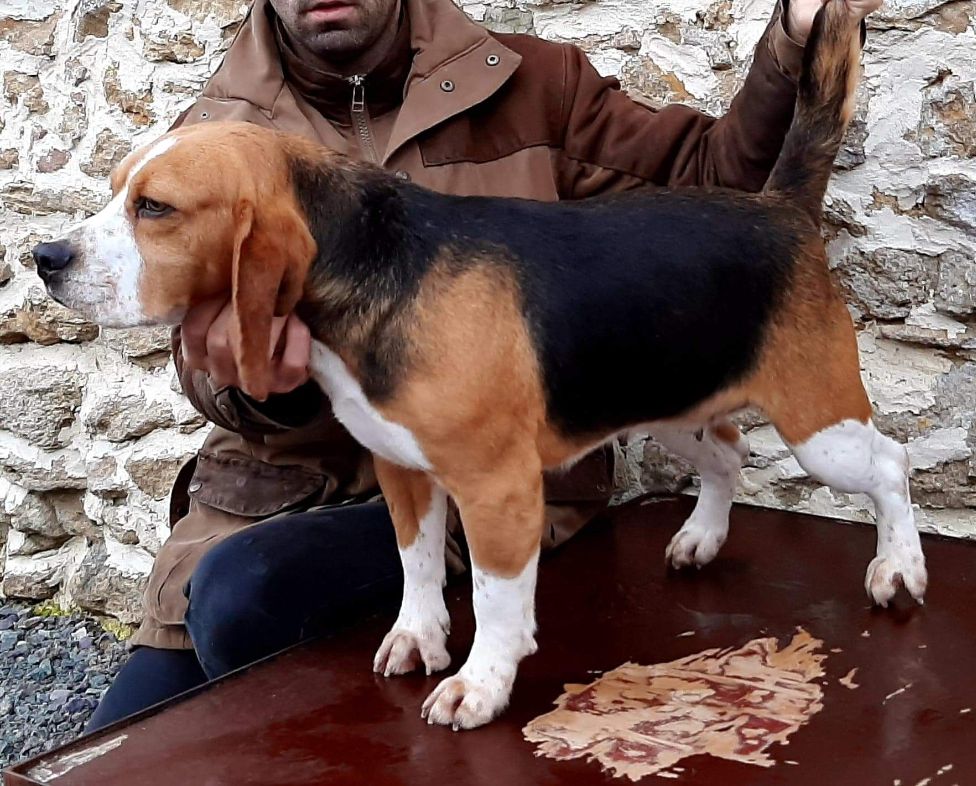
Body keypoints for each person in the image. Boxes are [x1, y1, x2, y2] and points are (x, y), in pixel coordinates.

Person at [87, 0, 881, 730]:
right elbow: (200, 375)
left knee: (268, 636)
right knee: (203, 640)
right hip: (270, 502)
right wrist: (267, 385)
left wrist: (800, 37)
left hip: (497, 499)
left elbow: (715, 195)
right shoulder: (209, 141)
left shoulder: (538, 84)